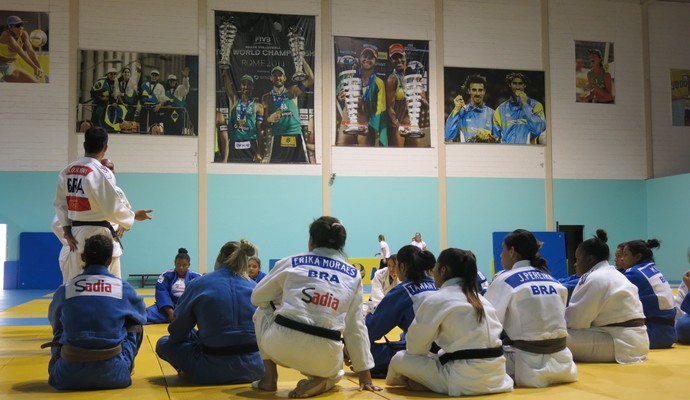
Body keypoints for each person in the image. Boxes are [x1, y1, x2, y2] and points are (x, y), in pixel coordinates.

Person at [251, 216, 381, 398]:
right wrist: (365, 376)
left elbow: (257, 297)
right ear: (341, 245)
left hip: (279, 346)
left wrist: (284, 299)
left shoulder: (291, 262)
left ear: (311, 241)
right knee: (336, 371)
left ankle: (269, 377)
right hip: (325, 357)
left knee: (261, 311)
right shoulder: (353, 275)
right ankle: (325, 379)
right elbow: (356, 327)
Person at [385, 248, 513, 396]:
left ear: (443, 270)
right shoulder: (481, 299)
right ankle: (427, 382)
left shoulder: (437, 299)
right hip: (497, 377)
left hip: (463, 380)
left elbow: (415, 349)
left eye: (436, 268)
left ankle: (423, 383)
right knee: (438, 356)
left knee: (399, 359)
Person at [156, 239, 265, 385]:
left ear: (219, 257)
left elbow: (177, 332)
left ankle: (187, 370)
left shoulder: (199, 283)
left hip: (210, 369)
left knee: (163, 343)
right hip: (255, 368)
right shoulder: (256, 287)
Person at [53, 126, 153, 283]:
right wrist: (133, 216)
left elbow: (60, 204)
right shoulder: (102, 172)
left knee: (76, 284)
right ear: (105, 148)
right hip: (99, 235)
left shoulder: (67, 170)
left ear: (85, 145)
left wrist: (67, 231)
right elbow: (111, 207)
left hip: (76, 234)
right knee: (107, 283)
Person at [45, 234, 146, 390]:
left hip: (65, 375)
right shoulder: (123, 288)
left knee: (60, 327)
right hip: (115, 374)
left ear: (83, 257)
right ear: (110, 260)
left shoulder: (66, 288)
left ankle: (61, 363)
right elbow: (141, 317)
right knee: (136, 324)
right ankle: (127, 366)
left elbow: (54, 320)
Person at [484, 229, 577, 388]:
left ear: (512, 252)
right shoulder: (554, 281)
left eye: (503, 250)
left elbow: (485, 323)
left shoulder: (505, 279)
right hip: (565, 364)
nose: (501, 255)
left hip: (527, 366)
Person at [565, 229, 649, 363]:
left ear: (589, 259)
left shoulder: (595, 278)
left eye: (577, 258)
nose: (575, 264)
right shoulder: (611, 273)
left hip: (619, 343)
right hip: (634, 341)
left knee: (554, 338)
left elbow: (576, 321)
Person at [362, 245, 437, 377]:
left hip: (425, 356)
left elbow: (371, 330)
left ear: (402, 266)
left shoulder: (403, 291)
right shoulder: (438, 285)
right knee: (405, 336)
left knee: (359, 346)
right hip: (449, 350)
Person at [619, 239, 677, 348]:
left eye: (625, 255)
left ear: (637, 257)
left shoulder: (634, 273)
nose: (622, 259)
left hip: (652, 334)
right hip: (669, 334)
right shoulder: (652, 269)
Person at [262, 58, 314, 163]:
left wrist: (301, 58)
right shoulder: (267, 97)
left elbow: (311, 80)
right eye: (275, 75)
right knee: (276, 170)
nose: (278, 78)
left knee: (301, 168)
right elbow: (264, 124)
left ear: (284, 78)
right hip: (277, 136)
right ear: (271, 78)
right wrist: (268, 120)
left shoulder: (292, 91)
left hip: (295, 134)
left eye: (280, 75)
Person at [336, 44, 387, 147]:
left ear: (375, 61)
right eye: (364, 56)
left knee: (365, 159)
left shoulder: (379, 83)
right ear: (360, 58)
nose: (367, 59)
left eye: (371, 57)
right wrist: (339, 96)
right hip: (347, 122)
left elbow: (380, 109)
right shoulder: (349, 75)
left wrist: (373, 128)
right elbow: (338, 93)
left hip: (365, 125)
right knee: (343, 155)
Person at [385, 43, 427, 147]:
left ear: (405, 57)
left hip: (413, 125)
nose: (399, 60)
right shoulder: (392, 79)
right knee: (398, 158)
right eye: (395, 58)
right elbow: (389, 107)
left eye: (401, 57)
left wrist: (420, 99)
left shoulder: (415, 77)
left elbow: (426, 105)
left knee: (415, 158)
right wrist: (398, 125)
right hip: (397, 126)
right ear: (391, 61)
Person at [145, 248, 202, 324]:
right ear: (175, 263)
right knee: (144, 314)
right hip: (168, 307)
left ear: (189, 265)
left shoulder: (196, 277)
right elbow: (161, 292)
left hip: (188, 307)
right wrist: (170, 312)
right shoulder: (166, 275)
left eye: (184, 265)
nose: (181, 267)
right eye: (178, 265)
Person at [223, 70, 265, 162]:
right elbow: (228, 89)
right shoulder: (234, 101)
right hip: (235, 143)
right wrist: (225, 72)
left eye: (249, 84)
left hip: (251, 143)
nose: (246, 86)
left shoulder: (258, 106)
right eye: (243, 84)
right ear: (241, 87)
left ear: (252, 87)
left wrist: (260, 152)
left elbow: (260, 131)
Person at [493, 72, 546, 144]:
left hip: (528, 152)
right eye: (514, 83)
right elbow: (496, 139)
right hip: (506, 152)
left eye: (520, 83)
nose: (517, 87)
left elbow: (538, 130)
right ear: (510, 85)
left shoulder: (536, 106)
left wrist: (525, 105)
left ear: (525, 85)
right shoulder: (500, 110)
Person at [444, 74, 497, 143]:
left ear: (484, 91)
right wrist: (456, 109)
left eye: (480, 90)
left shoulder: (492, 114)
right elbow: (448, 135)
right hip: (467, 152)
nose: (477, 93)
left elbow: (498, 139)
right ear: (469, 91)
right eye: (474, 90)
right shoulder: (462, 111)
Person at [0, 15, 44, 83]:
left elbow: (30, 51)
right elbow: (20, 52)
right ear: (10, 27)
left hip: (10, 67)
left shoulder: (24, 34)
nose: (21, 28)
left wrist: (39, 67)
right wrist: (35, 67)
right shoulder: (6, 35)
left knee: (35, 83)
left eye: (21, 25)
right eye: (17, 26)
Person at [161, 68, 191, 135]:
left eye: (174, 80)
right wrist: (166, 104)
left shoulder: (179, 89)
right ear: (168, 81)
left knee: (177, 133)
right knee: (167, 133)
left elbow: (186, 87)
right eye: (171, 80)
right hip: (167, 115)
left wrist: (185, 77)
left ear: (176, 81)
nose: (172, 82)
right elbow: (161, 101)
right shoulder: (164, 91)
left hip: (178, 114)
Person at [140, 69, 165, 133]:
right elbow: (140, 96)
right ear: (151, 76)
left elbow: (162, 98)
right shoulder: (145, 85)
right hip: (145, 108)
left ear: (158, 77)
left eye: (156, 75)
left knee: (154, 127)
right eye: (153, 75)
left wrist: (159, 105)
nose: (154, 77)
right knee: (143, 127)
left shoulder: (161, 87)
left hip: (155, 109)